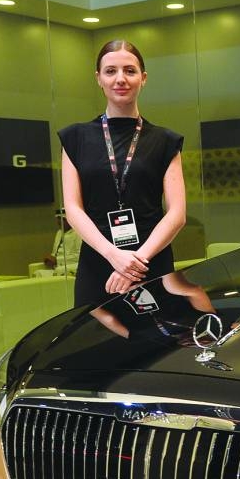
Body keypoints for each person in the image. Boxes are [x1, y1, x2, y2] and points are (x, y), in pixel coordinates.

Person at [58, 39, 186, 311]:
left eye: (130, 71)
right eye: (110, 71)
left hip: (150, 261)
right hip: (98, 262)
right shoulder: (75, 138)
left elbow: (177, 214)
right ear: (98, 79)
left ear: (143, 78)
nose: (120, 79)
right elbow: (73, 209)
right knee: (93, 344)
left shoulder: (165, 141)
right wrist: (113, 255)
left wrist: (135, 262)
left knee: (157, 346)